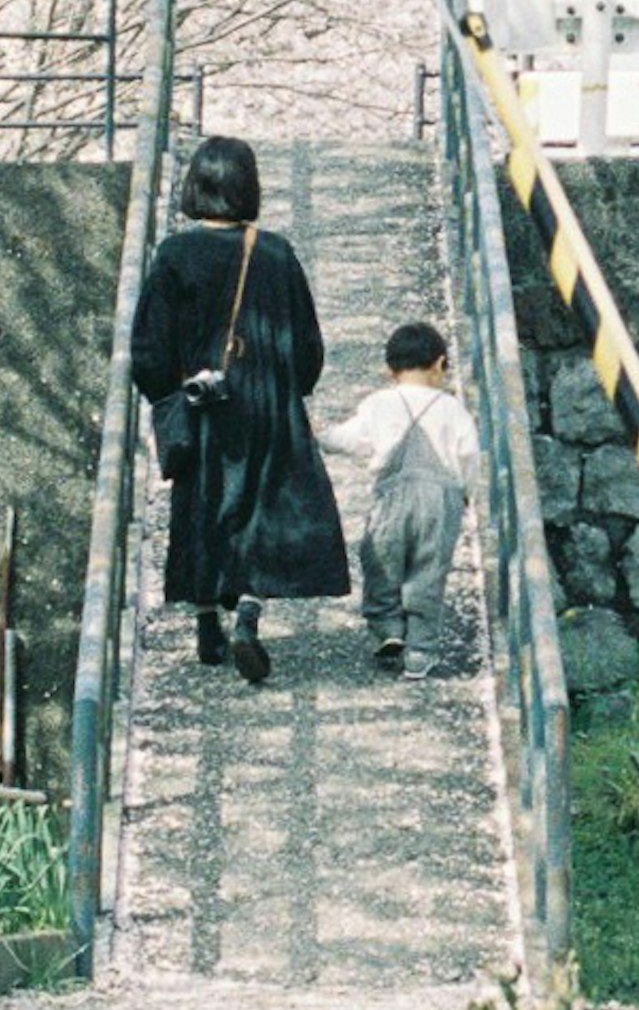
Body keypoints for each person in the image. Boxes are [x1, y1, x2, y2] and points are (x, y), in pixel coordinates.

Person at [132, 136, 349, 684]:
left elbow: (149, 349)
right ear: (249, 186)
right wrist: (289, 388)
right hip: (265, 405)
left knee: (202, 505)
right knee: (260, 507)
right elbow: (307, 346)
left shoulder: (174, 255)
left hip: (202, 401)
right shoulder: (274, 252)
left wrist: (170, 394)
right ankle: (248, 612)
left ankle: (207, 618)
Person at [325, 320, 481, 674]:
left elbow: (351, 439)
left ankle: (387, 630)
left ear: (388, 369)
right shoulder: (452, 408)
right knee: (428, 572)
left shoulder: (379, 403)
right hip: (441, 501)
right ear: (440, 364)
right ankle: (420, 652)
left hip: (390, 499)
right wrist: (467, 493)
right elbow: (469, 455)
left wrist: (321, 437)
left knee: (381, 561)